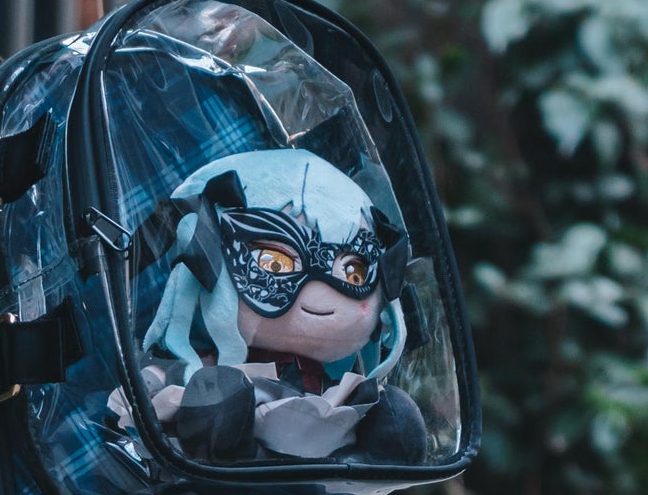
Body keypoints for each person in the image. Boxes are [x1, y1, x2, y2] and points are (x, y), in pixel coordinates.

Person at [132, 149, 428, 468]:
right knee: (215, 397)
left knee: (390, 418)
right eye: (274, 262)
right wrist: (159, 380)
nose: (320, 298)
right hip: (226, 468)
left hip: (323, 473)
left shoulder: (336, 379)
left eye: (352, 273)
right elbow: (169, 380)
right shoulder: (214, 371)